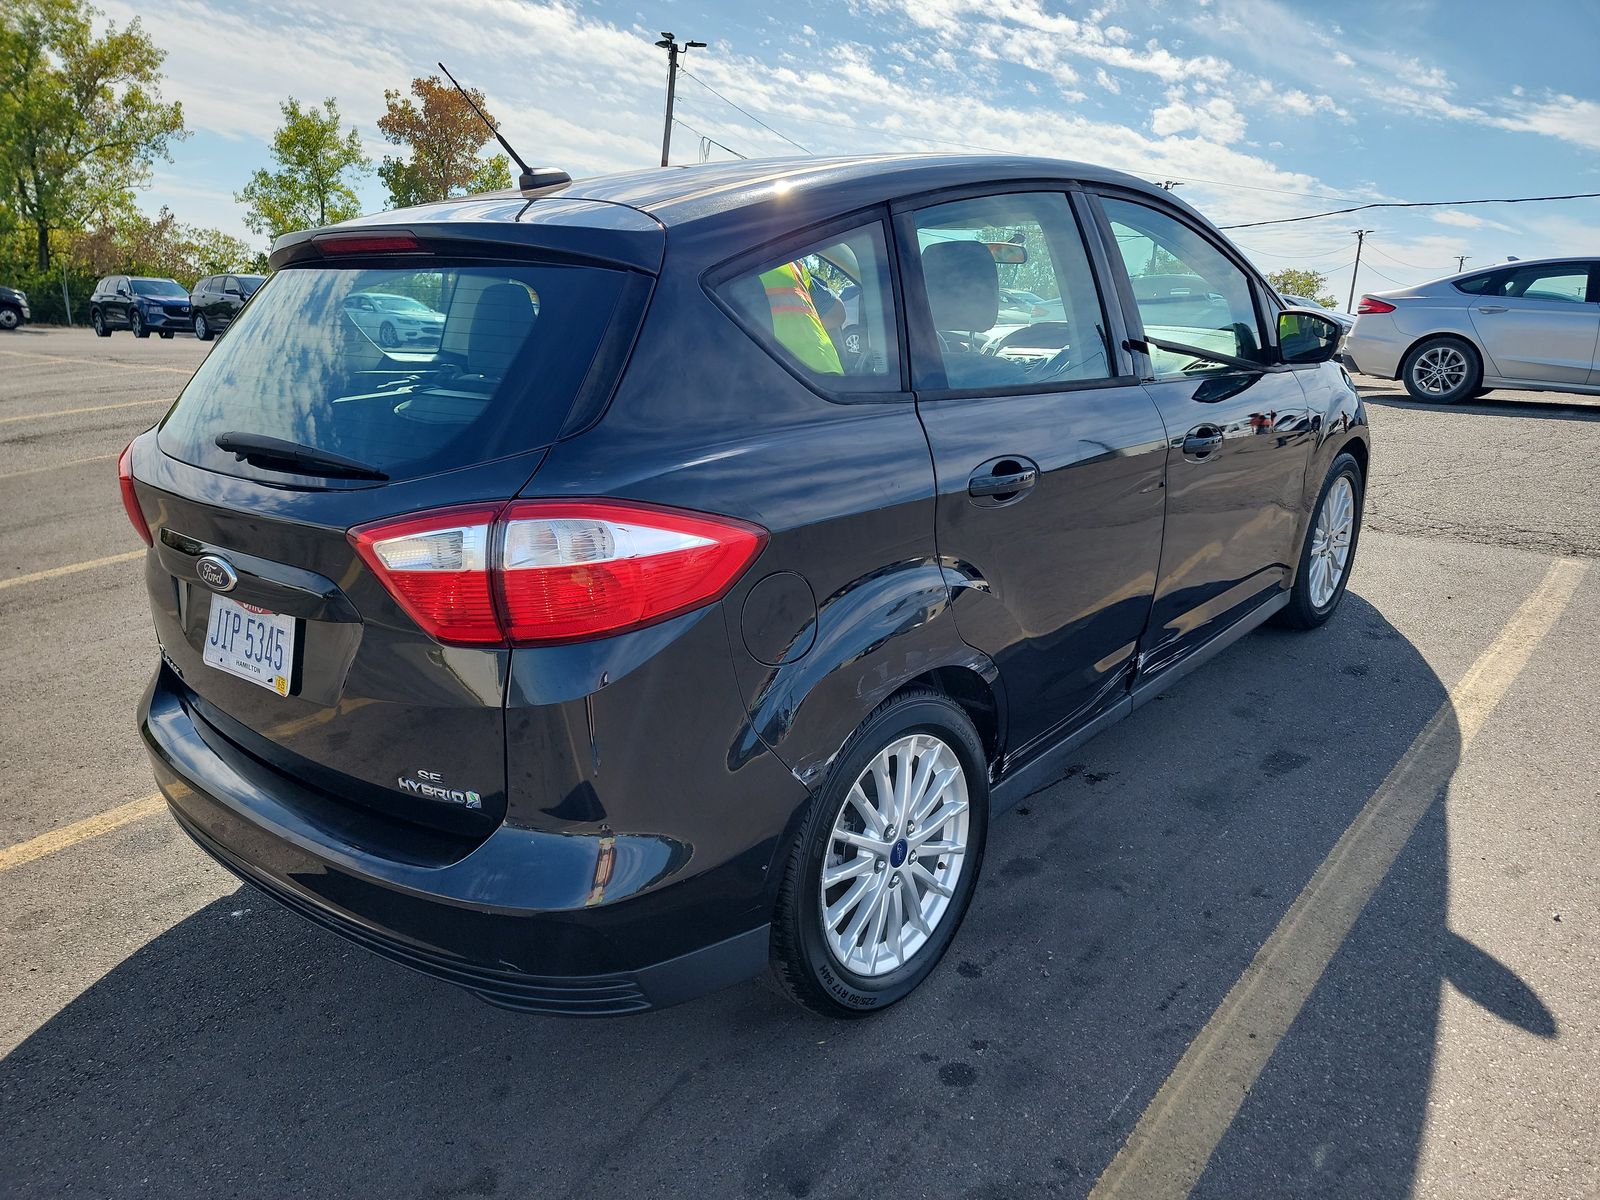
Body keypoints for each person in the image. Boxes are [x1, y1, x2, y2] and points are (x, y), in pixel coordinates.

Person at [760, 259, 843, 375]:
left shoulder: (733, 251)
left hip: (767, 378)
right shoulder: (788, 262)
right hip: (819, 372)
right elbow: (837, 312)